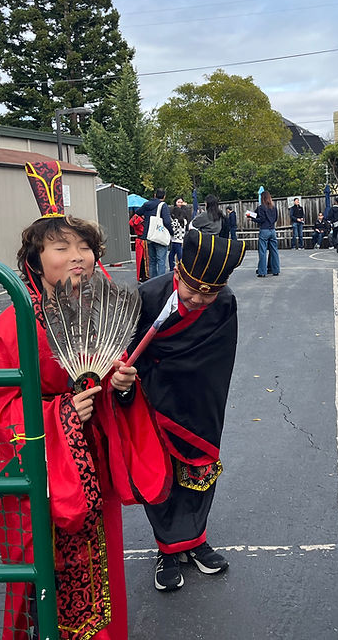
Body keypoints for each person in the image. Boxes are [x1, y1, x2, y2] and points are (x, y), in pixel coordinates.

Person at [0, 161, 168, 639]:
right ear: (34, 259)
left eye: (84, 246)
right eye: (61, 247)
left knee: (100, 579)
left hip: (95, 469)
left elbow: (114, 381)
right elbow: (0, 408)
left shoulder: (99, 314)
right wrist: (60, 413)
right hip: (44, 474)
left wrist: (122, 389)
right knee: (42, 583)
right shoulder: (13, 325)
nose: (77, 256)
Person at [127, 228, 247, 592]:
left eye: (208, 292)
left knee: (198, 472)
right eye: (192, 288)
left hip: (199, 402)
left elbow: (217, 360)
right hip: (152, 400)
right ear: (177, 272)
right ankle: (167, 547)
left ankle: (194, 539)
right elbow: (127, 352)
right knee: (160, 476)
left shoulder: (224, 304)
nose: (197, 299)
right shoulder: (146, 297)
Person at [136, 188, 173, 280]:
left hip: (149, 235)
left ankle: (152, 281)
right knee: (161, 261)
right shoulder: (163, 205)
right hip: (159, 236)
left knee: (152, 260)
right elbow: (167, 222)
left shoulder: (146, 204)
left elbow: (138, 212)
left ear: (154, 195)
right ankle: (160, 282)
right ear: (164, 197)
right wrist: (171, 232)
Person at [254, 189, 280, 277]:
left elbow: (261, 219)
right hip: (272, 230)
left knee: (262, 251)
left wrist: (252, 219)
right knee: (274, 251)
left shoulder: (261, 207)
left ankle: (262, 271)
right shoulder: (274, 207)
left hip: (264, 230)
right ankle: (275, 270)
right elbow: (276, 218)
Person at [169, 196, 192, 271]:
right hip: (181, 239)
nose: (180, 204)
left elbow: (172, 229)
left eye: (181, 202)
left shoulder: (175, 221)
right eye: (178, 202)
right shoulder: (184, 221)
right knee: (178, 255)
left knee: (174, 255)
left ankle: (176, 269)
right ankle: (182, 268)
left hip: (175, 239)